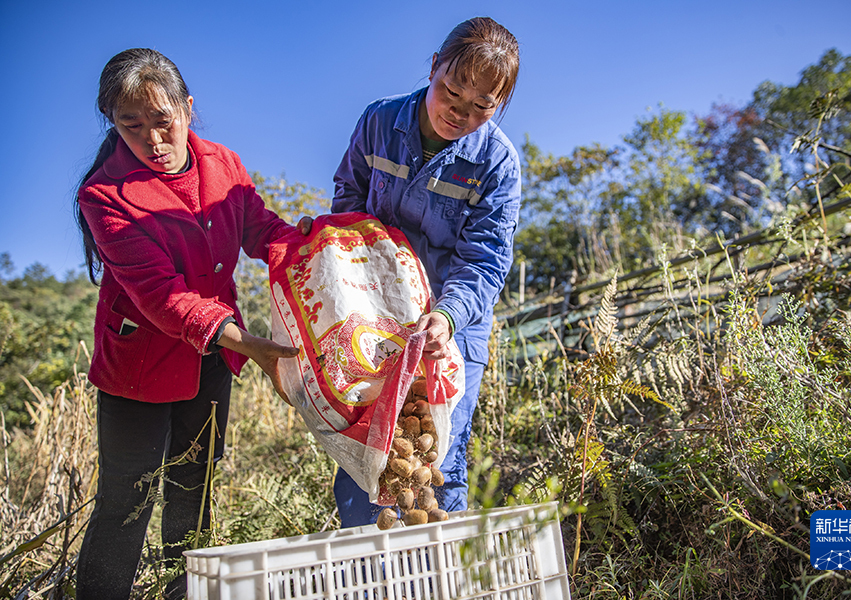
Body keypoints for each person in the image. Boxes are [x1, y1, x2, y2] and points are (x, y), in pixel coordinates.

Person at [74, 48, 299, 600]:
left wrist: (319, 248)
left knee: (193, 487)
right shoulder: (103, 196)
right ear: (113, 124)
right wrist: (252, 344)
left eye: (162, 120)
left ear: (187, 109)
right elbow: (159, 296)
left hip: (211, 357)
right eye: (131, 125)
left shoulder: (223, 164)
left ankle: (184, 593)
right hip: (140, 366)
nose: (152, 139)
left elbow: (262, 230)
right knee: (128, 498)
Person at [326, 16, 521, 526]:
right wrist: (341, 245)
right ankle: (366, 567)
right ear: (433, 68)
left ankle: (435, 570)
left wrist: (448, 318)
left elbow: (485, 259)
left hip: (451, 329)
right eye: (451, 94)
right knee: (367, 455)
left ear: (498, 105)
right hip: (376, 321)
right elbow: (347, 200)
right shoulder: (379, 123)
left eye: (481, 107)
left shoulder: (497, 164)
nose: (459, 114)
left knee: (437, 457)